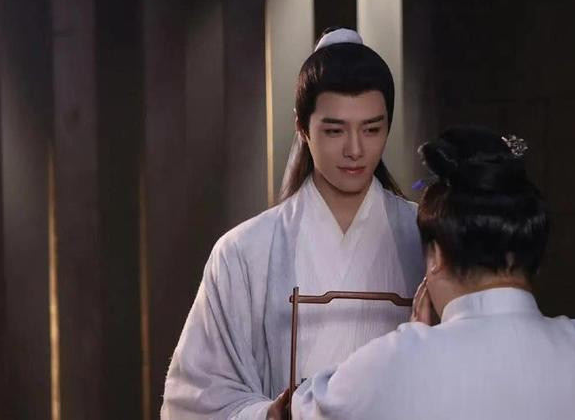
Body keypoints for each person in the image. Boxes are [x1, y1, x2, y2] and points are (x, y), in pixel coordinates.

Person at [160, 28, 424, 419]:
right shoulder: (245, 251)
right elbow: (194, 399)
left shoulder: (426, 236)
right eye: (334, 131)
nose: (355, 149)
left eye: (372, 129)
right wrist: (272, 414)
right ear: (302, 128)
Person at [291, 126, 575, 420]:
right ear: (535, 258)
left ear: (436, 256)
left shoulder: (390, 367)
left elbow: (307, 407)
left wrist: (410, 346)